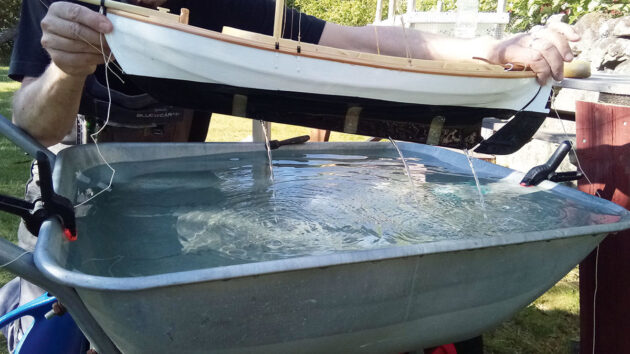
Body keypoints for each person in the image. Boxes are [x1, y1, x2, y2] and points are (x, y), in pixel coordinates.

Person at [1, 0, 579, 351]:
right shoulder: (59, 1)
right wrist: (63, 68)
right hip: (72, 191)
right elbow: (34, 122)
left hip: (171, 189)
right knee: (63, 328)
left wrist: (495, 46)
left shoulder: (216, 1)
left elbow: (354, 41)